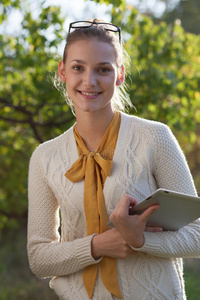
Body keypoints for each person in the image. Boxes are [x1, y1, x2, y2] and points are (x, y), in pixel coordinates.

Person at [27, 19, 200, 300]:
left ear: (119, 74)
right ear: (62, 72)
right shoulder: (44, 157)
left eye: (103, 70)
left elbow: (197, 234)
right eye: (78, 68)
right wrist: (97, 245)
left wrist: (140, 240)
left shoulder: (154, 138)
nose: (89, 81)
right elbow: (39, 258)